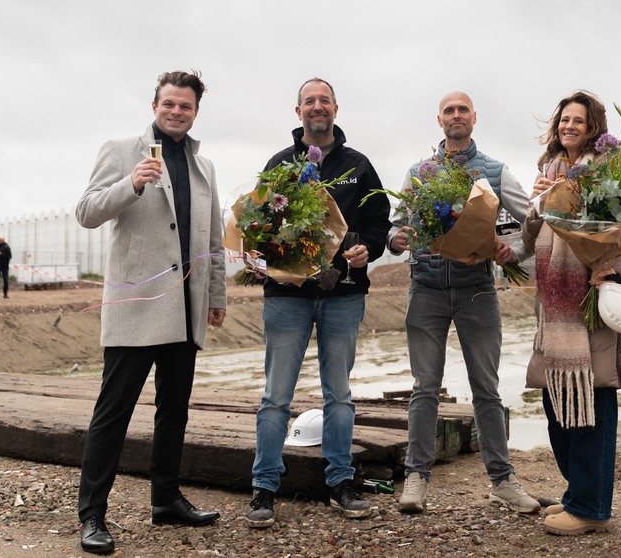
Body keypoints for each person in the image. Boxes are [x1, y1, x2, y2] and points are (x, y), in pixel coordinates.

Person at [74, 70, 228, 554]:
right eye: (168, 104)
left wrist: (217, 296)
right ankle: (92, 516)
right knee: (112, 413)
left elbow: (213, 241)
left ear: (195, 111)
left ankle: (166, 500)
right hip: (135, 307)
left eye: (185, 106)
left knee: (174, 411)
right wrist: (131, 184)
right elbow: (87, 211)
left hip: (186, 308)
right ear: (154, 104)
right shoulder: (122, 151)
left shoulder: (205, 167)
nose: (176, 112)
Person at [246, 77, 393, 528]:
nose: (317, 107)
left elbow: (379, 225)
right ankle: (264, 486)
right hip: (287, 297)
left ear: (335, 109)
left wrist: (368, 247)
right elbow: (258, 225)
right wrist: (258, 255)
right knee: (275, 397)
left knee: (340, 395)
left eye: (323, 100)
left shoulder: (359, 165)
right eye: (309, 101)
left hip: (343, 295)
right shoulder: (279, 164)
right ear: (298, 112)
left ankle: (340, 482)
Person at [388, 91, 541, 515]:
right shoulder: (418, 172)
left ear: (475, 118)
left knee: (486, 390)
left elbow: (529, 218)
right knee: (424, 389)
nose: (456, 116)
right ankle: (416, 477)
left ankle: (503, 481)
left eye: (462, 110)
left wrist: (515, 251)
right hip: (427, 290)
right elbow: (398, 225)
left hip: (478, 291)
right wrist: (394, 240)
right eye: (449, 111)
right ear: (439, 120)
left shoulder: (494, 170)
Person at [523, 90, 621, 536]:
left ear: (593, 126)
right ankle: (576, 494)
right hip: (553, 309)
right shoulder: (548, 171)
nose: (569, 126)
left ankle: (591, 508)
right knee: (557, 407)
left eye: (579, 120)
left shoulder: (614, 171)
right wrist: (535, 204)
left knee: (593, 407)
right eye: (564, 119)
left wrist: (616, 271)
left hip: (591, 306)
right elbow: (532, 237)